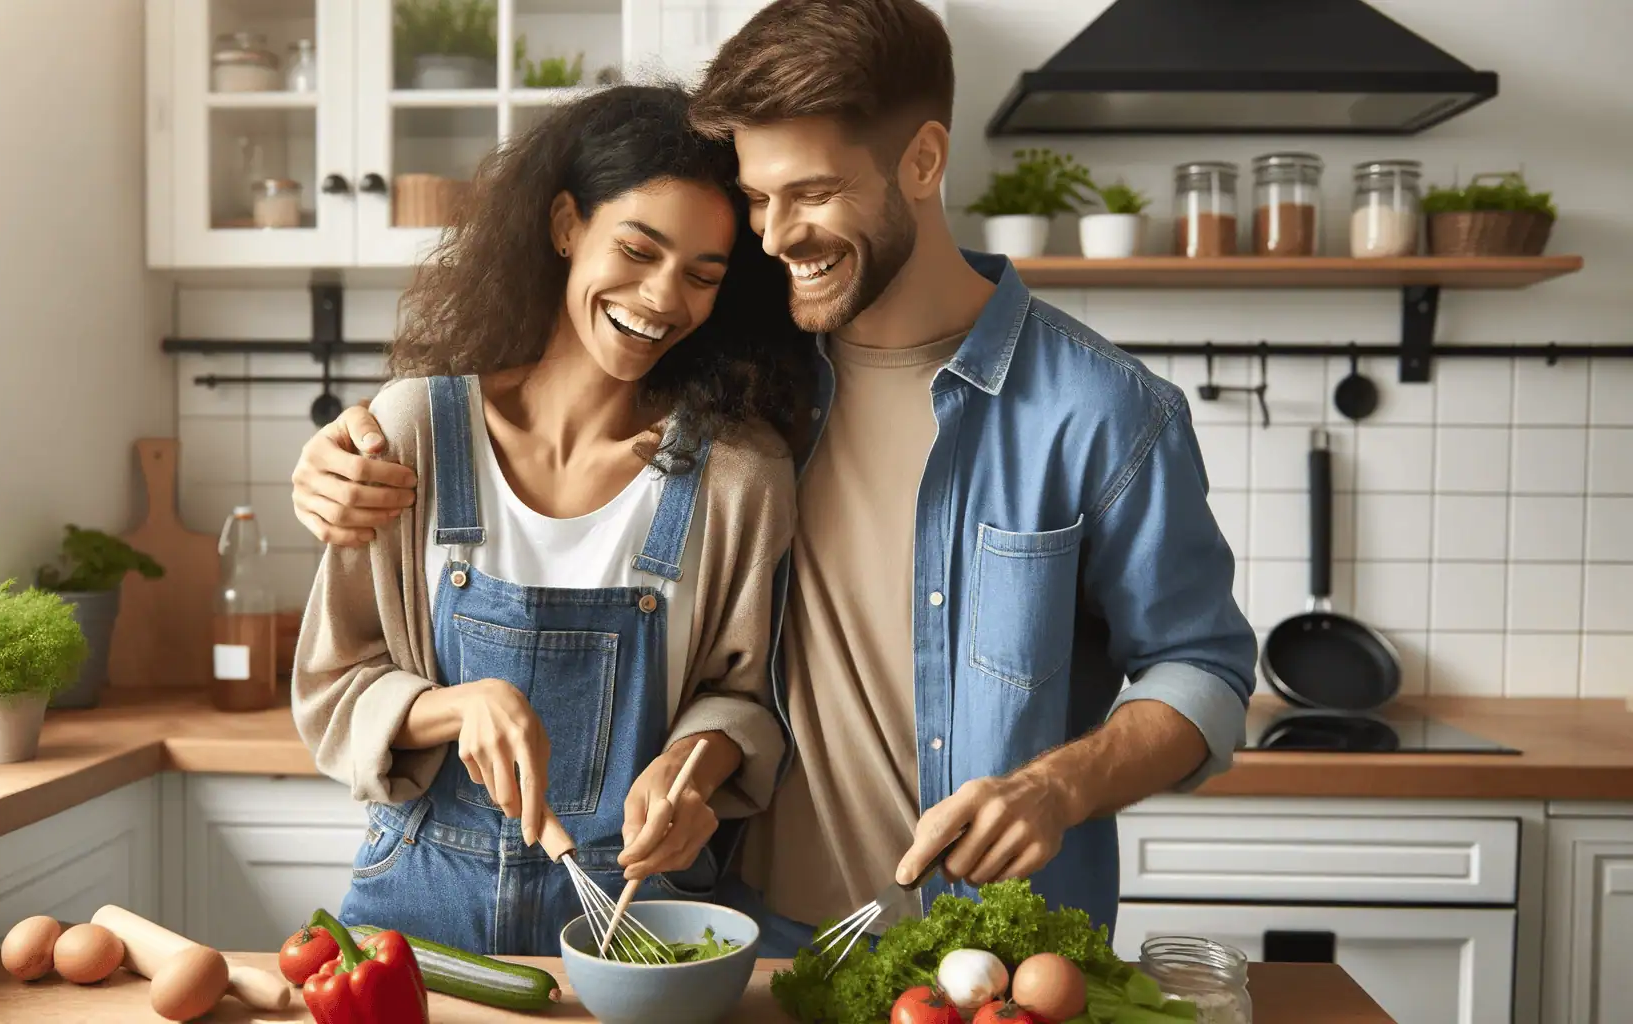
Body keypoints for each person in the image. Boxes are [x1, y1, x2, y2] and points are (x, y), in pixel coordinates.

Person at [290, 0, 1256, 959]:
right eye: (758, 199)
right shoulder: (757, 386)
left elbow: (1203, 670)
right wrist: (333, 462)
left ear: (923, 161)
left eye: (814, 191)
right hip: (769, 941)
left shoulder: (1100, 411)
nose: (777, 236)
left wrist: (1058, 787)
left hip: (991, 955)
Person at [289, 83, 813, 957]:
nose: (662, 297)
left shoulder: (739, 473)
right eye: (637, 249)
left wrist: (691, 770)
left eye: (702, 275)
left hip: (639, 913)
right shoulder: (415, 429)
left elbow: (746, 698)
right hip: (418, 904)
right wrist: (457, 707)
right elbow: (333, 682)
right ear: (567, 224)